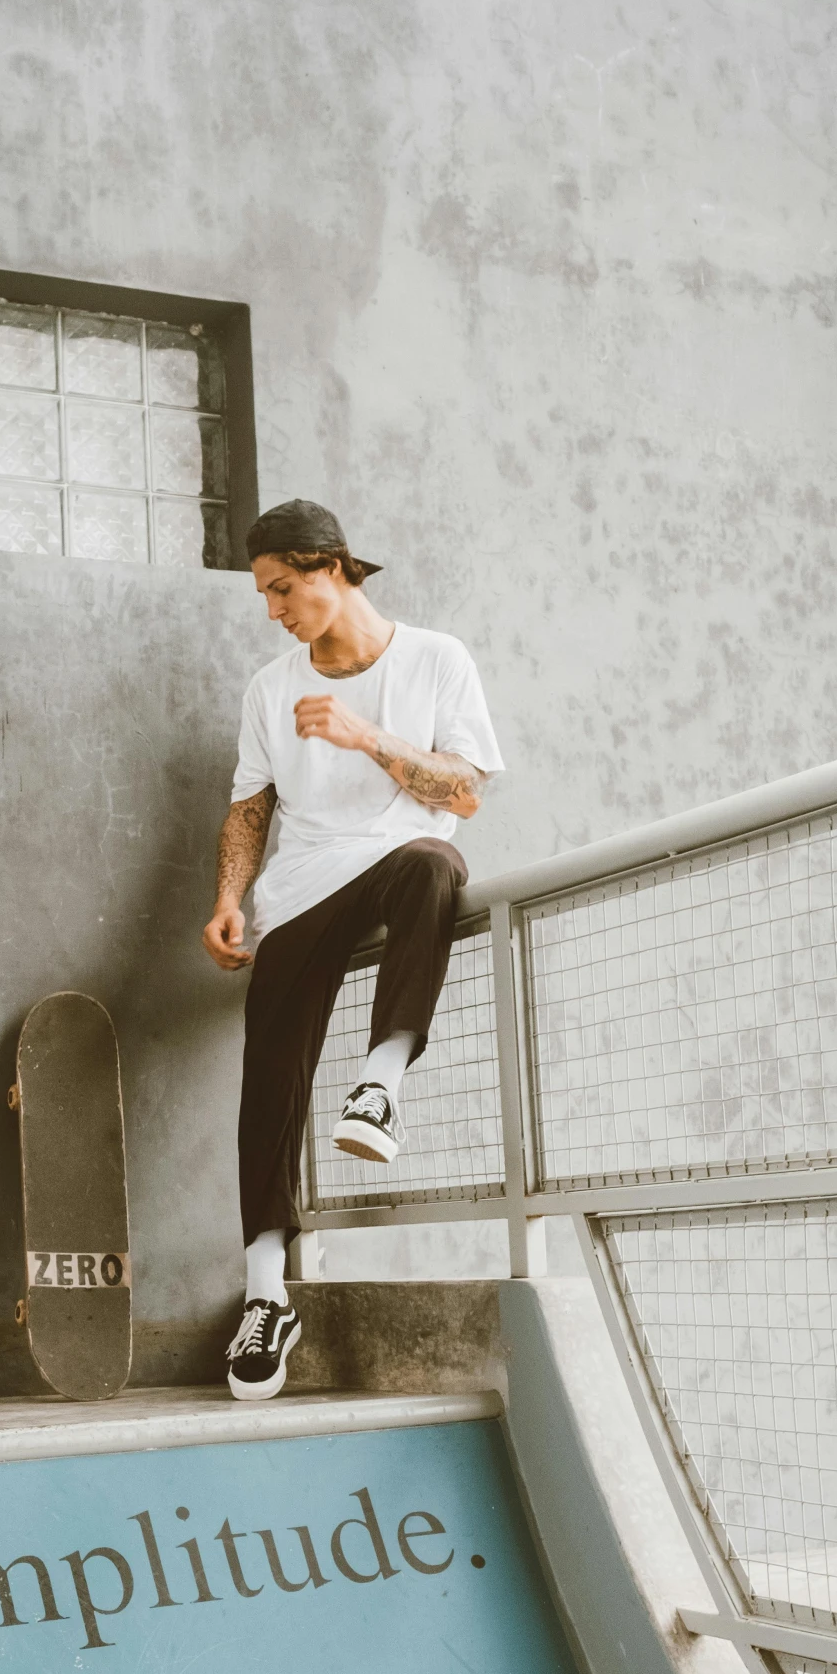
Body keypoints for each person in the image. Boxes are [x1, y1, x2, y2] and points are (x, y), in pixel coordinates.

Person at [202, 499, 504, 1400]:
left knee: (433, 862)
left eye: (283, 588)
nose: (273, 609)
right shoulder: (267, 687)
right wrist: (226, 897)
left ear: (331, 567)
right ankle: (267, 1293)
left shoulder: (435, 659)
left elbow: (464, 794)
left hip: (391, 863)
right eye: (264, 594)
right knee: (272, 1073)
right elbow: (251, 806)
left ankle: (381, 1083)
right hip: (299, 892)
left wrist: (365, 735)